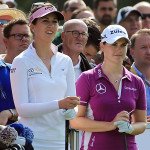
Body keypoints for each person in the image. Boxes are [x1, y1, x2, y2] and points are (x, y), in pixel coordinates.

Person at [10, 2, 79, 150]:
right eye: (45, 21)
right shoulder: (21, 61)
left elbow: (72, 105)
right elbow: (22, 109)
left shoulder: (65, 61)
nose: (51, 26)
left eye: (54, 22)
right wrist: (59, 104)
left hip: (61, 141)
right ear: (32, 26)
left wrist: (71, 110)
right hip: (32, 142)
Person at [70, 25, 147, 150]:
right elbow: (75, 121)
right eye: (114, 44)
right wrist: (111, 125)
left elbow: (142, 123)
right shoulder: (87, 78)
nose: (119, 49)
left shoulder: (136, 82)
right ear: (102, 46)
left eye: (123, 45)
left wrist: (131, 128)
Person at [130, 28, 150, 122]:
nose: (149, 52)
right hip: (135, 134)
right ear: (132, 52)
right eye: (143, 47)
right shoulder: (123, 78)